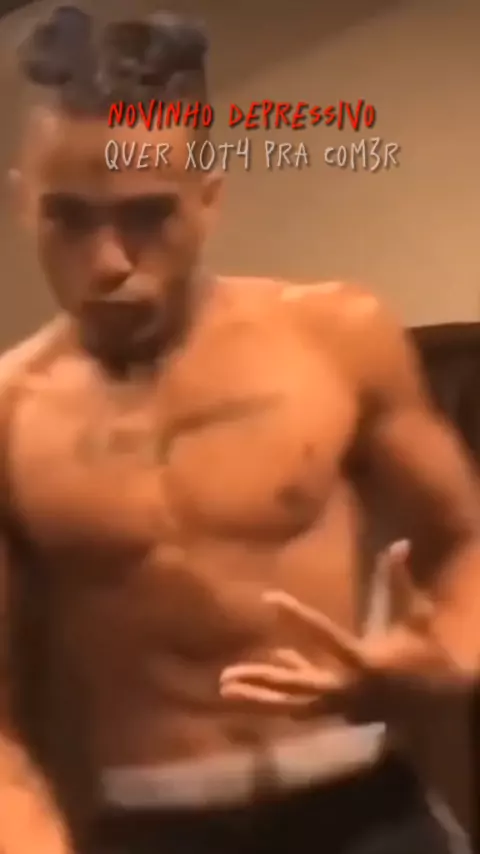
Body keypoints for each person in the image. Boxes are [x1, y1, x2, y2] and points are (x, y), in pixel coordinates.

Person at [0, 5, 478, 854]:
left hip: (360, 804)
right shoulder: (9, 412)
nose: (108, 261)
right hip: (153, 827)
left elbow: (464, 539)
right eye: (68, 218)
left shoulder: (336, 337)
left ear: (209, 199)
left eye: (148, 215)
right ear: (20, 202)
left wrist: (448, 654)